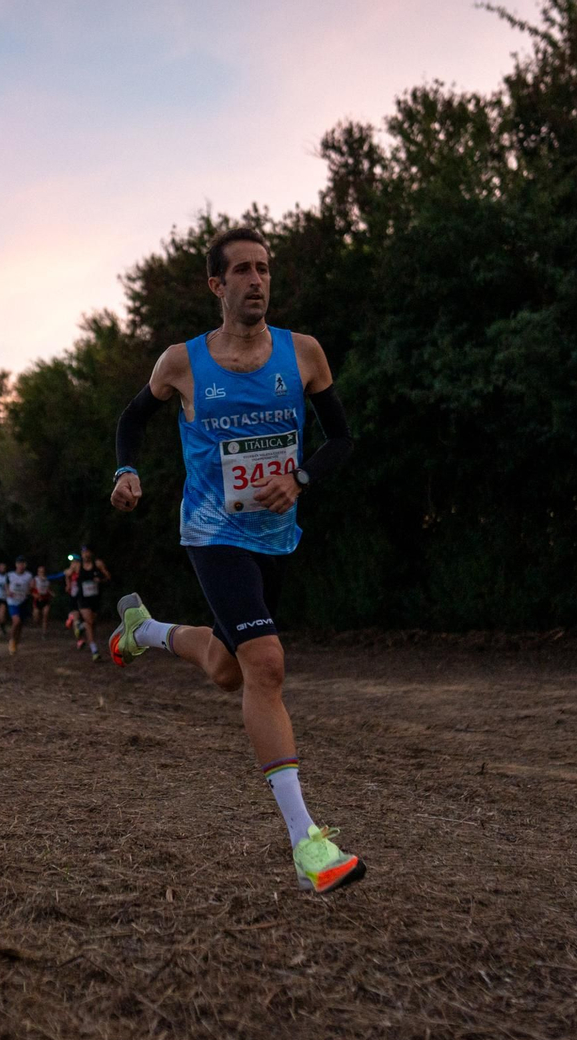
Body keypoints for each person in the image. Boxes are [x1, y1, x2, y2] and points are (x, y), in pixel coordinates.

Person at [106, 226, 364, 894]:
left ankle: (148, 632)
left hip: (275, 537)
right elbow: (131, 421)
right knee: (267, 665)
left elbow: (340, 440)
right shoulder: (183, 362)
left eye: (265, 269)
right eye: (243, 271)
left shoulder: (302, 354)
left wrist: (300, 479)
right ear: (217, 285)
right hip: (212, 533)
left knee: (228, 669)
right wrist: (126, 470)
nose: (257, 280)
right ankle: (307, 841)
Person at [66, 545, 111, 661]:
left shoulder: (98, 564)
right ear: (81, 554)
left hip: (95, 599)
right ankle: (94, 650)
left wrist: (100, 580)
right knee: (89, 621)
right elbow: (67, 574)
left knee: (92, 623)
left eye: (87, 552)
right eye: (83, 552)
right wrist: (68, 584)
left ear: (91, 553)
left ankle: (80, 626)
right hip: (83, 599)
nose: (85, 554)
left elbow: (108, 577)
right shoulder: (77, 565)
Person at [5, 556, 34, 654]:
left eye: (23, 563)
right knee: (16, 621)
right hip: (12, 602)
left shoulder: (28, 576)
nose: (21, 566)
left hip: (23, 601)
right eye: (19, 563)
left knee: (20, 624)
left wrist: (30, 591)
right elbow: (6, 585)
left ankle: (16, 641)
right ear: (16, 564)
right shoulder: (10, 575)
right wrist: (8, 591)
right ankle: (12, 641)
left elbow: (32, 586)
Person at [32, 565, 53, 637]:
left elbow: (48, 589)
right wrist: (35, 595)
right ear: (38, 572)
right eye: (40, 571)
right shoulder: (35, 579)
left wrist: (51, 593)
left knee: (46, 616)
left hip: (46, 599)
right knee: (36, 617)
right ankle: (37, 624)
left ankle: (44, 633)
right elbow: (31, 590)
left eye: (43, 571)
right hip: (37, 600)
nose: (42, 573)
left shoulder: (47, 580)